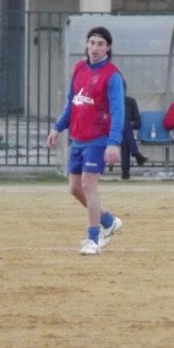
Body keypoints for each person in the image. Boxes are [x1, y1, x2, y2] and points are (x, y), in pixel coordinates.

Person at [46, 26, 125, 256]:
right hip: (78, 139)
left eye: (100, 44)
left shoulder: (112, 75)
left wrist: (113, 142)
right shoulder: (79, 68)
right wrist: (58, 127)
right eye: (92, 43)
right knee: (75, 188)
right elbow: (72, 103)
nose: (95, 48)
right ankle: (109, 221)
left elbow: (118, 112)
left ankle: (92, 239)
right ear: (87, 45)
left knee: (89, 186)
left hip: (98, 139)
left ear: (108, 48)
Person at [119, 81, 148, 180]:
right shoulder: (109, 101)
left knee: (125, 132)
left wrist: (130, 124)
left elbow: (138, 123)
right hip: (111, 130)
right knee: (125, 126)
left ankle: (125, 173)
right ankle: (136, 153)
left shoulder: (131, 101)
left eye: (122, 88)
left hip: (125, 131)